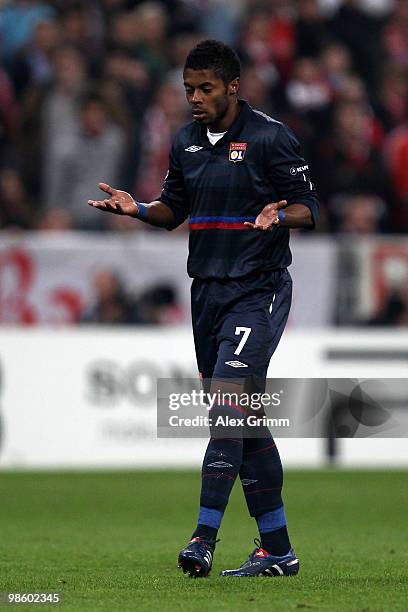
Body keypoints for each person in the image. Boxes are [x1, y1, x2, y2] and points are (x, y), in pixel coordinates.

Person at [88, 39, 319, 578]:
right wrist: (139, 208)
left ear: (232, 87)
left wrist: (277, 219)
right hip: (207, 294)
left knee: (226, 410)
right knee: (248, 423)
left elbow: (310, 208)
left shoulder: (269, 137)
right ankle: (278, 551)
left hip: (257, 289)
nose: (194, 98)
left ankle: (203, 537)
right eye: (188, 89)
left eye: (205, 89)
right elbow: (175, 211)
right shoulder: (186, 141)